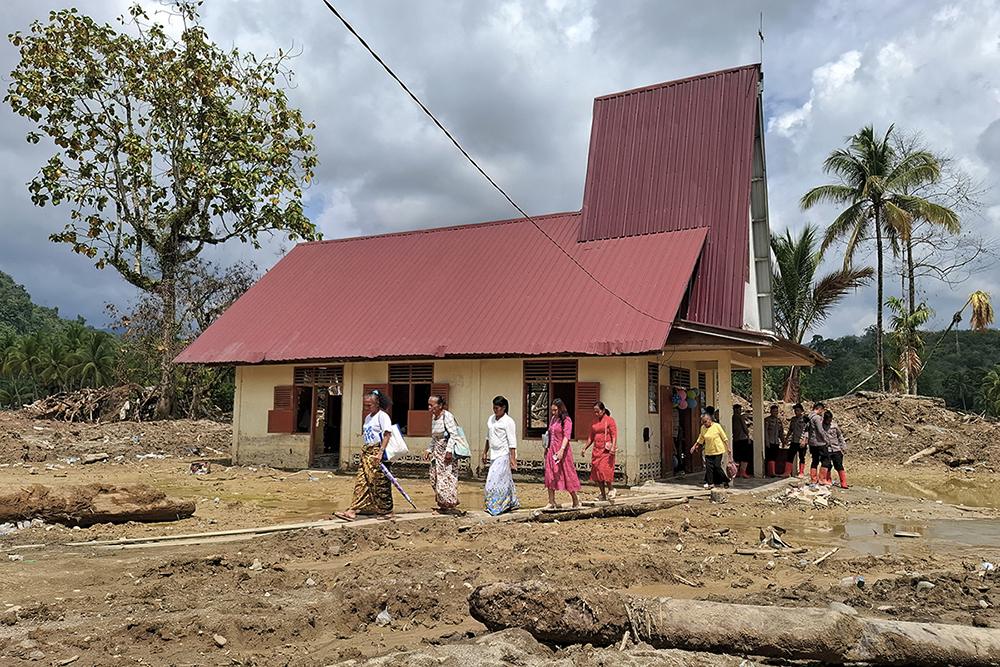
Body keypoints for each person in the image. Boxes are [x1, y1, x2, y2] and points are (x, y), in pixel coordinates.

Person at [335, 390, 394, 521]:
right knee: (362, 481)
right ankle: (352, 510)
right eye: (365, 405)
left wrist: (380, 452)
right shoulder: (368, 418)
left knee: (379, 483)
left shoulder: (382, 416)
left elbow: (387, 434)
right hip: (367, 453)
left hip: (377, 453)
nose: (366, 408)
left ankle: (388, 511)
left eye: (369, 405)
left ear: (377, 404)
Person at [482, 395, 520, 515]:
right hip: (493, 453)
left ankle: (495, 505)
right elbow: (488, 437)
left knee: (492, 481)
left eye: (497, 408)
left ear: (503, 408)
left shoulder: (508, 422)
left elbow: (512, 441)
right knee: (504, 480)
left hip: (503, 454)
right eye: (493, 408)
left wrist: (512, 458)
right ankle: (510, 502)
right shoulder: (491, 419)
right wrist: (485, 452)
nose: (495, 410)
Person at [423, 394, 460, 514]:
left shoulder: (447, 416)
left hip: (446, 454)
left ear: (440, 405)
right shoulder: (434, 418)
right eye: (428, 405)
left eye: (432, 405)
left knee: (444, 479)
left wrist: (448, 451)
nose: (429, 407)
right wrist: (429, 450)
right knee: (434, 478)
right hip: (437, 454)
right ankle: (449, 501)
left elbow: (454, 435)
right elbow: (434, 438)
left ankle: (445, 506)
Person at [543, 398, 581, 510]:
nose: (553, 412)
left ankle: (575, 498)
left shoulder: (566, 420)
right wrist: (547, 448)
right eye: (552, 410)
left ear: (560, 409)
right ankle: (551, 501)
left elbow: (566, 436)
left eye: (555, 410)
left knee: (566, 474)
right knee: (550, 474)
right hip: (552, 449)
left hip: (562, 450)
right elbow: (549, 434)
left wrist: (562, 450)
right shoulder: (553, 419)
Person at [581, 401, 617, 501]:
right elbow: (590, 437)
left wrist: (613, 448)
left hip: (606, 450)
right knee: (597, 472)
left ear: (603, 410)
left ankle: (611, 488)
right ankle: (602, 494)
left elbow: (614, 435)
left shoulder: (610, 420)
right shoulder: (594, 421)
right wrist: (585, 448)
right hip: (596, 449)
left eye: (598, 412)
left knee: (604, 470)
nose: (596, 414)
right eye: (595, 412)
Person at [690, 412, 731, 489]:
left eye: (705, 421)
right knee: (709, 468)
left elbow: (724, 437)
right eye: (703, 422)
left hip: (718, 449)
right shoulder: (703, 428)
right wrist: (695, 446)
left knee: (717, 466)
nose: (704, 423)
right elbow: (701, 438)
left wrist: (728, 447)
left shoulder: (717, 426)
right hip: (708, 450)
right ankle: (711, 484)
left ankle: (725, 480)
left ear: (710, 420)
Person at [801, 401, 829, 485]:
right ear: (820, 409)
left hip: (812, 443)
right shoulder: (817, 418)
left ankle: (814, 479)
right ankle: (822, 479)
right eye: (822, 411)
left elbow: (806, 429)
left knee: (815, 460)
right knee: (825, 459)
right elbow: (820, 430)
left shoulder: (809, 417)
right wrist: (825, 439)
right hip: (819, 442)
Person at [823, 410, 848, 488]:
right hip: (827, 449)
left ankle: (843, 482)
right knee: (828, 465)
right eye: (827, 420)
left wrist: (843, 447)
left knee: (839, 465)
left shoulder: (834, 426)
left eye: (830, 420)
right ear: (824, 419)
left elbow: (840, 437)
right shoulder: (821, 426)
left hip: (836, 449)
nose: (829, 422)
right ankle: (828, 480)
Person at [785, 403, 808, 478]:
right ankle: (787, 472)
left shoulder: (805, 419)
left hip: (801, 441)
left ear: (801, 411)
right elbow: (790, 430)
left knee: (801, 457)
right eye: (795, 410)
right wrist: (787, 438)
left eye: (798, 410)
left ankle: (801, 472)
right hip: (794, 441)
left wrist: (804, 440)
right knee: (790, 456)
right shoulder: (793, 419)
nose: (796, 412)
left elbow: (807, 430)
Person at [763, 404, 785, 478]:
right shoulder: (767, 420)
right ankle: (770, 472)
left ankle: (773, 472)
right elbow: (765, 431)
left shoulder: (779, 421)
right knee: (769, 457)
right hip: (769, 441)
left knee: (774, 457)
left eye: (776, 411)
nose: (775, 413)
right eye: (774, 411)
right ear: (770, 412)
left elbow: (780, 432)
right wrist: (766, 441)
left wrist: (783, 441)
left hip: (776, 442)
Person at [731, 405, 751, 478]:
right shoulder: (740, 417)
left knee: (737, 456)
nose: (740, 411)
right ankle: (743, 471)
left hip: (736, 439)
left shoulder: (732, 418)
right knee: (745, 456)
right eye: (739, 409)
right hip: (743, 439)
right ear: (736, 410)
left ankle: (736, 472)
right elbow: (745, 429)